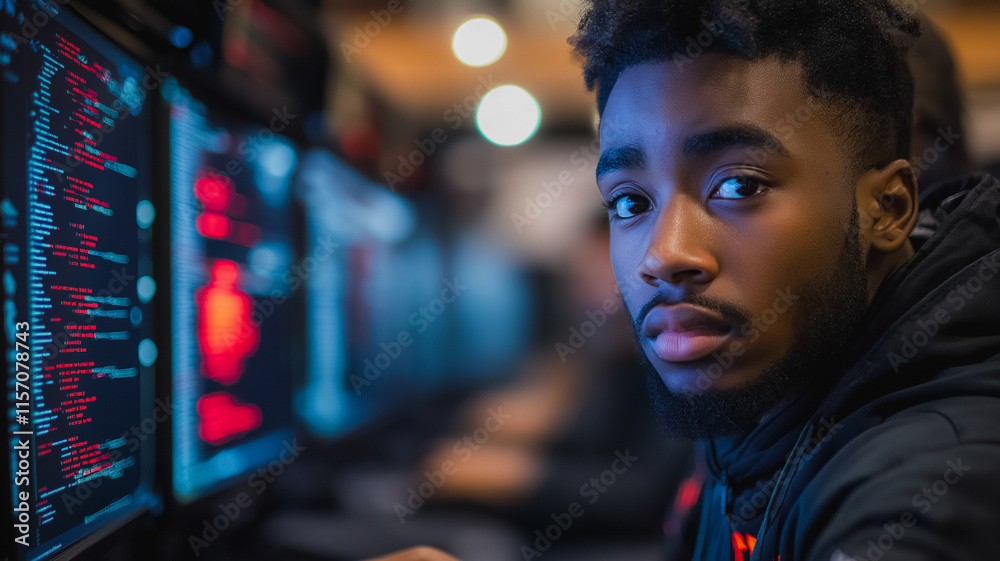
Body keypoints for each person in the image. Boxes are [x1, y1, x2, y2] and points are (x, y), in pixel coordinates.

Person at [366, 0, 1000, 559]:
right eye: (630, 203)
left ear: (886, 210)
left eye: (738, 186)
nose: (662, 256)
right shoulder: (766, 399)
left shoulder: (926, 482)